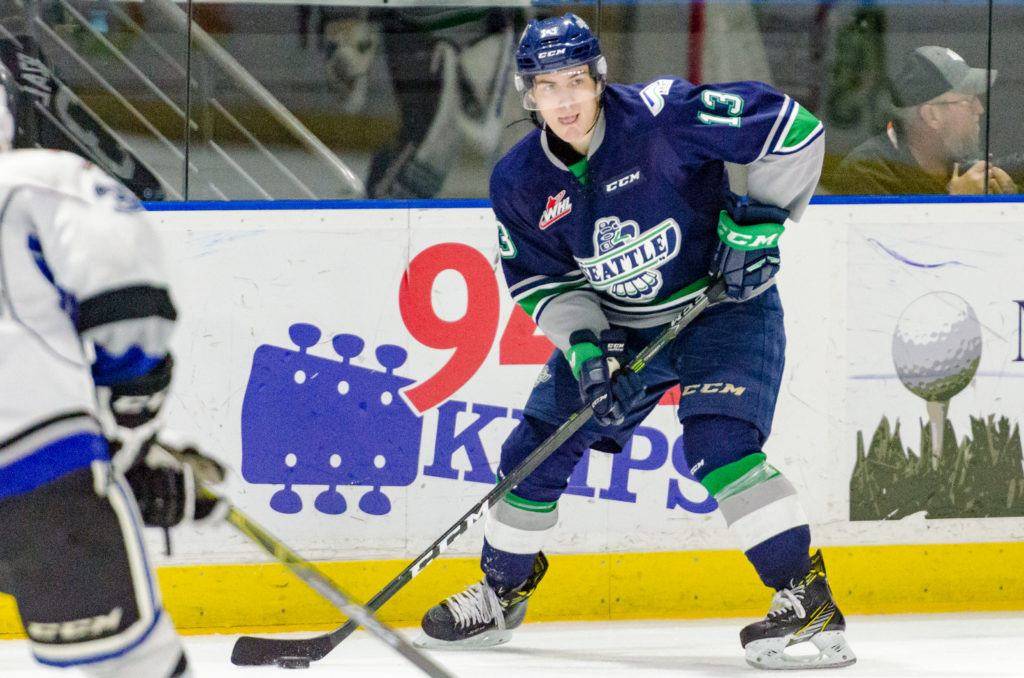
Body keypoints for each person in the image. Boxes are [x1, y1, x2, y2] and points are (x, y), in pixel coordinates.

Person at [415, 13, 855, 671]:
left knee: (719, 444)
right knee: (532, 452)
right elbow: (541, 279)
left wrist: (758, 226)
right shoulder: (518, 180)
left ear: (599, 77)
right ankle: (502, 592)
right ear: (526, 91)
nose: (564, 101)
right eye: (547, 86)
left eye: (575, 81)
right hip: (620, 327)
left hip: (722, 308)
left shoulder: (663, 115)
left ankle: (806, 603)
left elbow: (793, 130)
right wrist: (589, 351)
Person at [0, 62, 222, 677]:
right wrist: (128, 425)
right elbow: (128, 298)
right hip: (28, 470)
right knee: (133, 669)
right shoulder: (35, 178)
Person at [835, 46, 1016, 195]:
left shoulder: (961, 159)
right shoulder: (866, 171)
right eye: (968, 101)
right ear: (932, 116)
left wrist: (1009, 200)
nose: (979, 109)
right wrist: (956, 203)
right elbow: (883, 240)